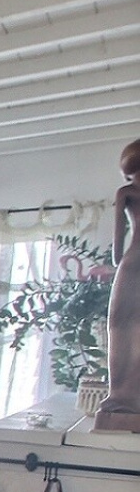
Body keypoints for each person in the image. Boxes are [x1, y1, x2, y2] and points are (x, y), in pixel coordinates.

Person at [96, 138, 140, 431]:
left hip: (133, 261)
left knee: (120, 326)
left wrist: (117, 262)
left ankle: (122, 396)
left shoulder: (127, 192)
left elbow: (116, 251)